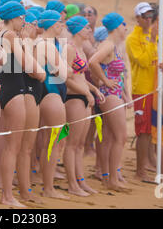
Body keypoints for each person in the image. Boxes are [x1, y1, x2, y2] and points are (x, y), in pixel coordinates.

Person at [0, 1, 44, 207]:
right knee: (12, 147)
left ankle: (14, 193)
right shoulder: (8, 35)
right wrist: (41, 73)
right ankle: (7, 196)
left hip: (13, 89)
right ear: (14, 17)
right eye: (22, 17)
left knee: (14, 147)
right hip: (13, 91)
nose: (24, 21)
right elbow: (26, 63)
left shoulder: (4, 34)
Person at [89, 12, 131, 192]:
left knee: (108, 138)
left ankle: (108, 176)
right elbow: (92, 62)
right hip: (110, 95)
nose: (126, 28)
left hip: (113, 94)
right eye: (123, 24)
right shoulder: (108, 45)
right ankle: (113, 178)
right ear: (115, 27)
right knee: (120, 137)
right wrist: (105, 81)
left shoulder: (113, 45)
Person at [126, 2, 163, 182]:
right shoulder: (133, 38)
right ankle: (139, 171)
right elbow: (142, 61)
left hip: (155, 88)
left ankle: (148, 166)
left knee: (151, 130)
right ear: (138, 18)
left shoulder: (155, 37)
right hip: (141, 90)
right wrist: (151, 40)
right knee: (142, 131)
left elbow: (159, 59)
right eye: (145, 16)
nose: (149, 19)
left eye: (151, 16)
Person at [64, 16, 104, 196]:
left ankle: (81, 181)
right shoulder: (69, 48)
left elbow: (80, 77)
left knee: (80, 144)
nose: (90, 30)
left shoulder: (80, 48)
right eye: (87, 27)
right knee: (71, 144)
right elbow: (65, 78)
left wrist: (94, 89)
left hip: (84, 95)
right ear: (78, 29)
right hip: (74, 98)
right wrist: (87, 93)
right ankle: (72, 184)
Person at [35, 10, 71, 200]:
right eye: (59, 22)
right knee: (55, 140)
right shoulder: (46, 45)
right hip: (51, 93)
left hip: (50, 93)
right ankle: (48, 187)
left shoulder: (45, 43)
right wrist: (68, 67)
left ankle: (46, 185)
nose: (62, 25)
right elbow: (65, 73)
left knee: (52, 140)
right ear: (50, 24)